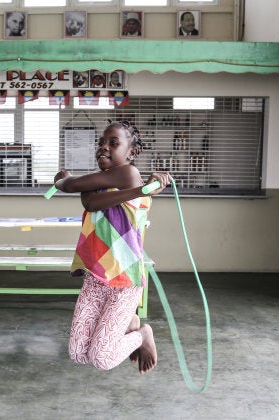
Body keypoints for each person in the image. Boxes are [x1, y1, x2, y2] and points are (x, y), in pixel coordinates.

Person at [53, 121, 171, 375]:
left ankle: (142, 335)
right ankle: (130, 321)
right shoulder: (99, 180)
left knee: (101, 358)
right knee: (77, 353)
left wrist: (63, 180)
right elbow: (90, 201)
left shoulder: (128, 174)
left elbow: (80, 192)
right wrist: (72, 184)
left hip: (123, 279)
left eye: (113, 143)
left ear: (131, 152)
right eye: (101, 142)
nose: (103, 147)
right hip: (95, 277)